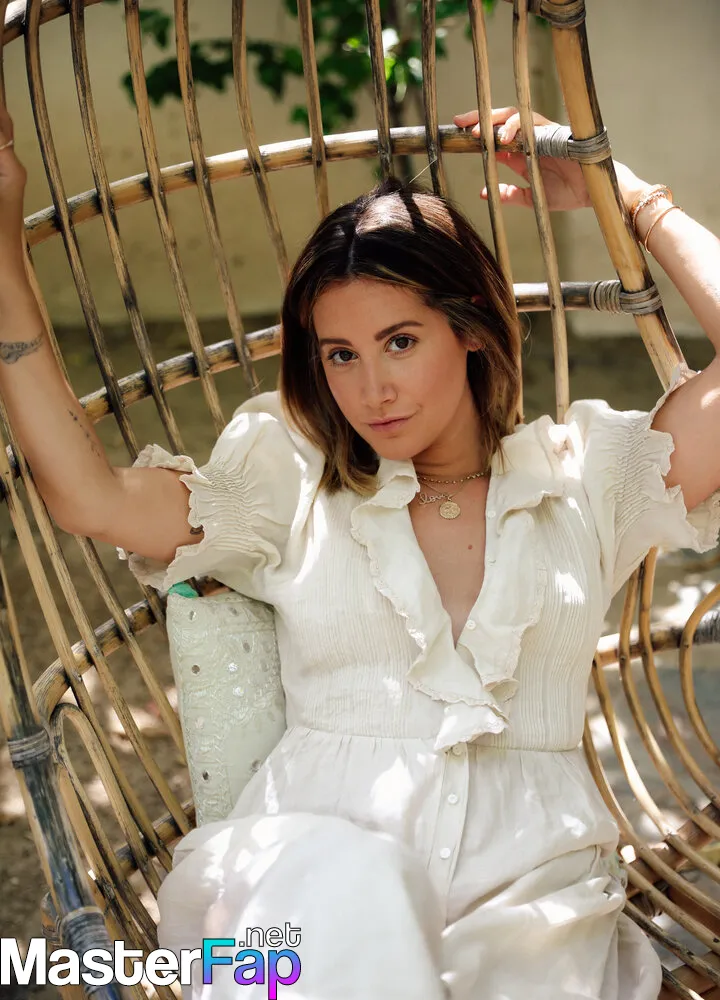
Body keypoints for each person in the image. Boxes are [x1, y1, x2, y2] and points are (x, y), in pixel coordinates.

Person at [1, 95, 720, 1000]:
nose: (370, 388)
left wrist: (627, 199)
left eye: (400, 342)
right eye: (340, 354)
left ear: (471, 328)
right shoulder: (289, 482)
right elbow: (89, 497)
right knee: (356, 887)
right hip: (300, 912)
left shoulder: (587, 478)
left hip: (533, 924)